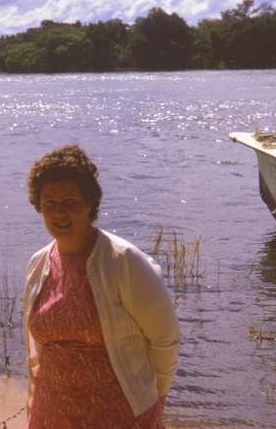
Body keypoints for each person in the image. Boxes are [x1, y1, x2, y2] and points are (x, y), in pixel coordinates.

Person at [23, 144, 180, 428]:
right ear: (39, 207)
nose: (60, 212)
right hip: (52, 413)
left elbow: (165, 338)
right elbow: (36, 350)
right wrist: (33, 399)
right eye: (50, 203)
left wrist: (158, 395)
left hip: (119, 415)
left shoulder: (124, 260)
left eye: (70, 201)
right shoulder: (37, 264)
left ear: (89, 202)